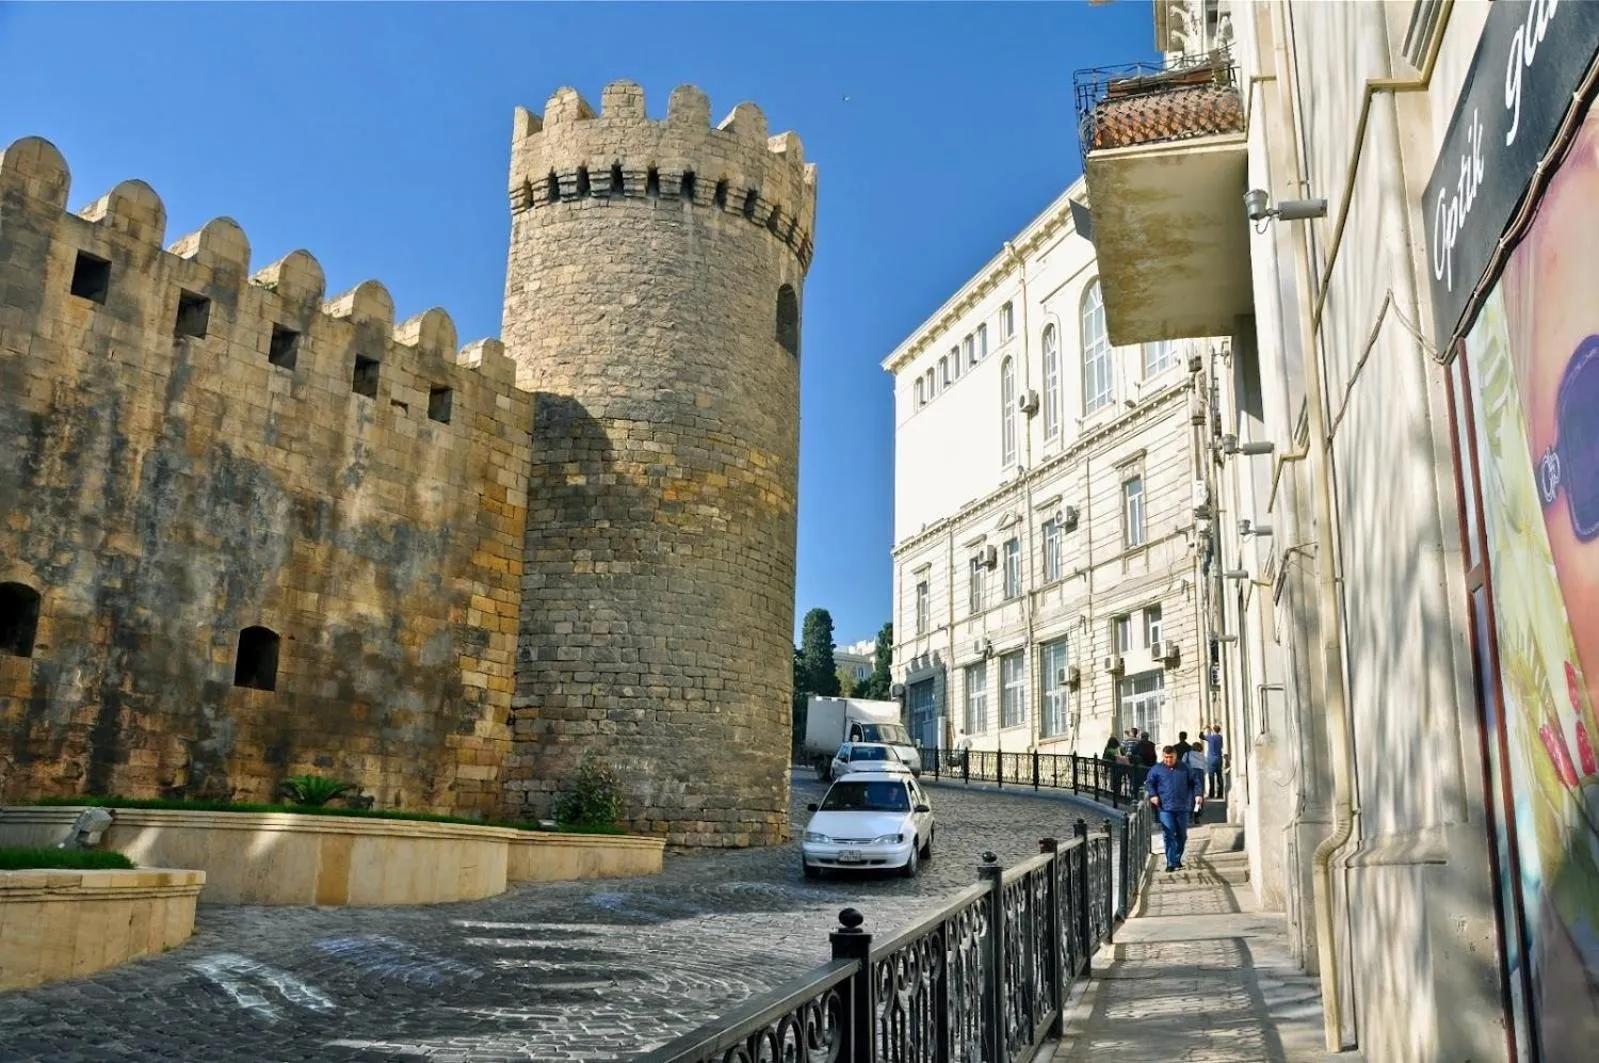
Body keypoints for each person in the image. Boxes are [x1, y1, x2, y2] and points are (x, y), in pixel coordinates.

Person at [1146, 745, 1202, 872]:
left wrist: (1198, 794)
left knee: (1181, 835)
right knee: (1169, 833)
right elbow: (1149, 783)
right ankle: (1170, 863)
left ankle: (1177, 858)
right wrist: (1153, 795)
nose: (1168, 760)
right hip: (1165, 807)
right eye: (1166, 757)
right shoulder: (1157, 769)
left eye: (1170, 757)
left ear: (1175, 756)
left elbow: (1195, 782)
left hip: (1182, 806)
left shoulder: (1185, 768)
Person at [1205, 725, 1225, 799]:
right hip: (1218, 758)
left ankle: (1212, 794)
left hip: (1211, 759)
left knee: (1211, 777)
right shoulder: (1220, 737)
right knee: (1219, 776)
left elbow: (1201, 736)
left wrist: (1204, 728)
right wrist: (1210, 730)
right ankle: (1220, 794)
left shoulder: (1210, 737)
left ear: (1213, 730)